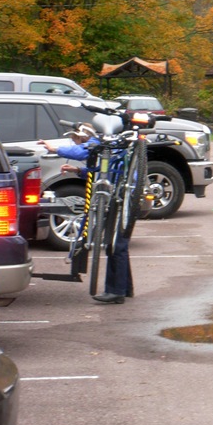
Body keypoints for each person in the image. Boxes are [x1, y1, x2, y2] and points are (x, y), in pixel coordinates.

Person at [39, 123, 134, 305]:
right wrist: (80, 171)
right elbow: (104, 170)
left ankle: (115, 292)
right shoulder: (111, 148)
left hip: (120, 199)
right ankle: (125, 288)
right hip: (122, 198)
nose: (75, 142)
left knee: (115, 244)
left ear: (83, 136)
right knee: (119, 242)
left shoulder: (98, 143)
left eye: (76, 139)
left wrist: (55, 148)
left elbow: (81, 152)